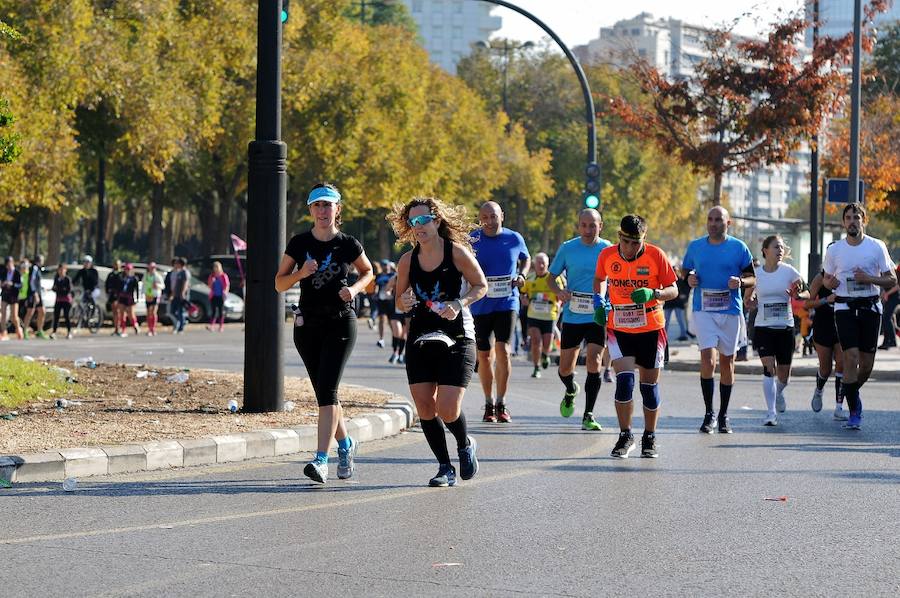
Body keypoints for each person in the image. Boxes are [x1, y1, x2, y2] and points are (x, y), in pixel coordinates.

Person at [275, 183, 374, 484]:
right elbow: (279, 283)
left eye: (328, 205)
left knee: (328, 392)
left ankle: (321, 460)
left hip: (341, 323)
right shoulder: (299, 243)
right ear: (310, 210)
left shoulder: (348, 243)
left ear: (337, 209)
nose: (322, 211)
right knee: (324, 394)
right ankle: (346, 444)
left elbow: (368, 272)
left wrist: (354, 288)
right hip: (307, 327)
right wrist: (301, 273)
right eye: (317, 205)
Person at [389, 196, 486, 487]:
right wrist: (404, 301)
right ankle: (445, 466)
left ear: (436, 220)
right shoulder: (407, 260)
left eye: (423, 220)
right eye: (412, 222)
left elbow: (481, 285)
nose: (418, 227)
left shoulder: (455, 253)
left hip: (457, 335)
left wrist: (460, 302)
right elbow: (400, 300)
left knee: (447, 408)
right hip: (420, 336)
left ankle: (464, 443)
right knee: (424, 406)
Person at [594, 214, 678, 458]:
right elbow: (600, 279)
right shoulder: (607, 255)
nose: (631, 248)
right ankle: (625, 435)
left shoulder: (656, 255)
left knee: (649, 387)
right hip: (619, 326)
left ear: (644, 239)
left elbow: (674, 289)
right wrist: (600, 301)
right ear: (619, 236)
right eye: (627, 241)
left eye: (637, 242)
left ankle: (649, 437)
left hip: (651, 327)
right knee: (624, 382)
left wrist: (654, 293)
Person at [822, 203, 897, 430]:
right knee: (850, 358)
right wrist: (830, 283)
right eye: (848, 217)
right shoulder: (835, 249)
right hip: (844, 308)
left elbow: (892, 279)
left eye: (857, 217)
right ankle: (854, 410)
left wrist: (869, 279)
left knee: (866, 366)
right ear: (843, 222)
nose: (852, 221)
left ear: (864, 220)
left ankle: (849, 392)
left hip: (870, 309)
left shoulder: (876, 246)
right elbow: (826, 279)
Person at [682, 207, 755, 434]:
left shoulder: (738, 247)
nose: (713, 223)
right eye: (710, 219)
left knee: (727, 362)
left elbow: (752, 276)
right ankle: (709, 414)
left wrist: (741, 283)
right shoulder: (695, 246)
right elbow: (685, 273)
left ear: (728, 223)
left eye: (718, 220)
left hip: (730, 311)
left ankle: (724, 415)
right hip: (703, 309)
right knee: (707, 360)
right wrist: (690, 279)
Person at [547, 209, 612, 431]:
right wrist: (560, 292)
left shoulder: (608, 249)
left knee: (594, 361)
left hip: (596, 315)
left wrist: (608, 300)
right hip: (573, 315)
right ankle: (570, 389)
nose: (588, 229)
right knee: (565, 368)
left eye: (592, 225)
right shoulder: (568, 248)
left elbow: (615, 276)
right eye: (584, 225)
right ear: (578, 226)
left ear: (600, 226)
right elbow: (551, 278)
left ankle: (588, 414)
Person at [470, 201, 530, 423]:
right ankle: (488, 402)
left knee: (503, 350)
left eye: (493, 216)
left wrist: (522, 275)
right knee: (484, 355)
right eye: (484, 217)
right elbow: (462, 263)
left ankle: (502, 402)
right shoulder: (473, 239)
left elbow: (526, 258)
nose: (489, 221)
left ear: (501, 216)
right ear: (480, 219)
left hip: (507, 301)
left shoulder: (514, 238)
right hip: (480, 304)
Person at [745, 236, 808, 426]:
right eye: (775, 247)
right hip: (763, 327)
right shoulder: (756, 274)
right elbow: (748, 300)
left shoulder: (789, 272)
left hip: (785, 326)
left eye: (781, 247)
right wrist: (752, 302)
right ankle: (770, 412)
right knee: (768, 368)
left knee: (784, 375)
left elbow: (807, 292)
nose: (780, 250)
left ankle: (778, 392)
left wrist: (798, 294)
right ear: (765, 250)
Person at [805, 267, 846, 419]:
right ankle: (819, 390)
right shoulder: (820, 277)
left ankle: (839, 406)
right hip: (823, 325)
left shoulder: (846, 273)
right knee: (826, 368)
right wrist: (825, 300)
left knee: (842, 363)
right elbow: (807, 304)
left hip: (842, 324)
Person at [520, 253, 563, 379]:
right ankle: (536, 367)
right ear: (534, 264)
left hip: (549, 315)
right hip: (533, 314)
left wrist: (559, 303)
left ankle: (545, 355)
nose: (541, 265)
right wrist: (524, 299)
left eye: (543, 263)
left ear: (548, 264)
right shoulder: (530, 278)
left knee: (547, 343)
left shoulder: (553, 279)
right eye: (538, 262)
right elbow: (523, 294)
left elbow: (560, 295)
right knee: (535, 341)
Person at [21, 254, 47, 339]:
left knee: (42, 311)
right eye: (42, 260)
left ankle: (39, 330)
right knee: (30, 312)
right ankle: (25, 331)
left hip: (38, 293)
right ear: (39, 260)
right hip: (33, 294)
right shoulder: (34, 268)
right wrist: (35, 292)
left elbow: (37, 282)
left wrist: (42, 288)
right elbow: (31, 281)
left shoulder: (38, 269)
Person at [664, 269, 692, 341]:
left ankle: (683, 335)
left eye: (675, 270)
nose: (674, 272)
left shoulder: (681, 280)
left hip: (678, 303)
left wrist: (684, 297)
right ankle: (663, 336)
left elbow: (687, 288)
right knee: (666, 320)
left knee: (680, 319)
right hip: (668, 303)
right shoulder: (667, 280)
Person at [374, 260, 395, 348]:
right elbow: (376, 286)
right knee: (382, 319)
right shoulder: (378, 276)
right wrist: (375, 294)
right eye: (383, 265)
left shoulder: (393, 275)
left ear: (389, 266)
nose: (385, 267)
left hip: (391, 301)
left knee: (391, 322)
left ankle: (395, 338)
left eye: (386, 265)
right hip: (381, 300)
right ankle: (381, 339)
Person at [1, 256, 22, 341]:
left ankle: (19, 330)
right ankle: (4, 332)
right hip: (5, 294)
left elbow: (20, 285)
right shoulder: (4, 272)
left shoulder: (17, 272)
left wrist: (12, 284)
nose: (8, 266)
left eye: (9, 264)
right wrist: (3, 284)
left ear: (12, 263)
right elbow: (1, 282)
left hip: (14, 295)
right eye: (7, 265)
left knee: (14, 317)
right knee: (3, 314)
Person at [50, 263, 73, 339]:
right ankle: (54, 332)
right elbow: (54, 288)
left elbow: (68, 290)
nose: (61, 271)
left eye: (62, 269)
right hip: (58, 299)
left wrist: (60, 289)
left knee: (66, 316)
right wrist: (57, 289)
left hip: (66, 300)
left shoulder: (67, 279)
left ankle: (69, 332)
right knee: (56, 316)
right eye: (59, 270)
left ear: (65, 270)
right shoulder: (56, 278)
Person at [169, 258, 191, 334]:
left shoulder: (185, 272)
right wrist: (173, 293)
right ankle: (183, 321)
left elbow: (185, 283)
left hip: (181, 295)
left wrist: (183, 293)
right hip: (176, 295)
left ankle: (181, 328)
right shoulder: (180, 272)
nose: (176, 264)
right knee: (172, 311)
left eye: (178, 263)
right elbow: (176, 285)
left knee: (180, 311)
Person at [207, 261, 230, 332]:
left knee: (221, 311)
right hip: (213, 295)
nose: (216, 268)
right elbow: (209, 286)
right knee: (213, 311)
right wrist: (212, 282)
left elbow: (227, 285)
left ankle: (221, 326)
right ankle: (212, 326)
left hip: (221, 296)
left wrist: (225, 292)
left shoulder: (223, 276)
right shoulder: (212, 276)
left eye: (217, 267)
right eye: (214, 267)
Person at [879, 272, 899, 350]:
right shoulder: (885, 272)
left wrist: (887, 293)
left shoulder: (894, 271)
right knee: (887, 318)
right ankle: (887, 341)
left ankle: (891, 341)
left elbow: (898, 286)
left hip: (895, 297)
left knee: (886, 318)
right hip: (890, 296)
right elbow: (886, 288)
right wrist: (882, 296)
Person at [119, 263, 140, 336]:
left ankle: (135, 325)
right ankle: (123, 330)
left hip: (130, 297)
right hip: (122, 297)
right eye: (126, 269)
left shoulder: (134, 278)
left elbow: (136, 290)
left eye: (129, 269)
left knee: (131, 314)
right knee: (122, 314)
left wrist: (137, 298)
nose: (127, 271)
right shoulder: (122, 277)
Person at [144, 262, 164, 336]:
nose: (152, 269)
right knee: (149, 313)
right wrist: (144, 294)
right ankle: (149, 328)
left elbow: (162, 285)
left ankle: (153, 328)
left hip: (155, 295)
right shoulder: (146, 275)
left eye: (153, 267)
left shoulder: (157, 276)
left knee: (153, 312)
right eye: (151, 267)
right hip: (148, 295)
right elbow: (144, 285)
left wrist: (157, 285)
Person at [105, 259, 124, 335]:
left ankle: (120, 328)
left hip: (120, 295)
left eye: (117, 264)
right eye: (115, 264)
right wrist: (108, 292)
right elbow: (107, 284)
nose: (116, 265)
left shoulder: (122, 274)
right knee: (115, 312)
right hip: (112, 295)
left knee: (119, 312)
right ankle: (116, 328)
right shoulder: (111, 274)